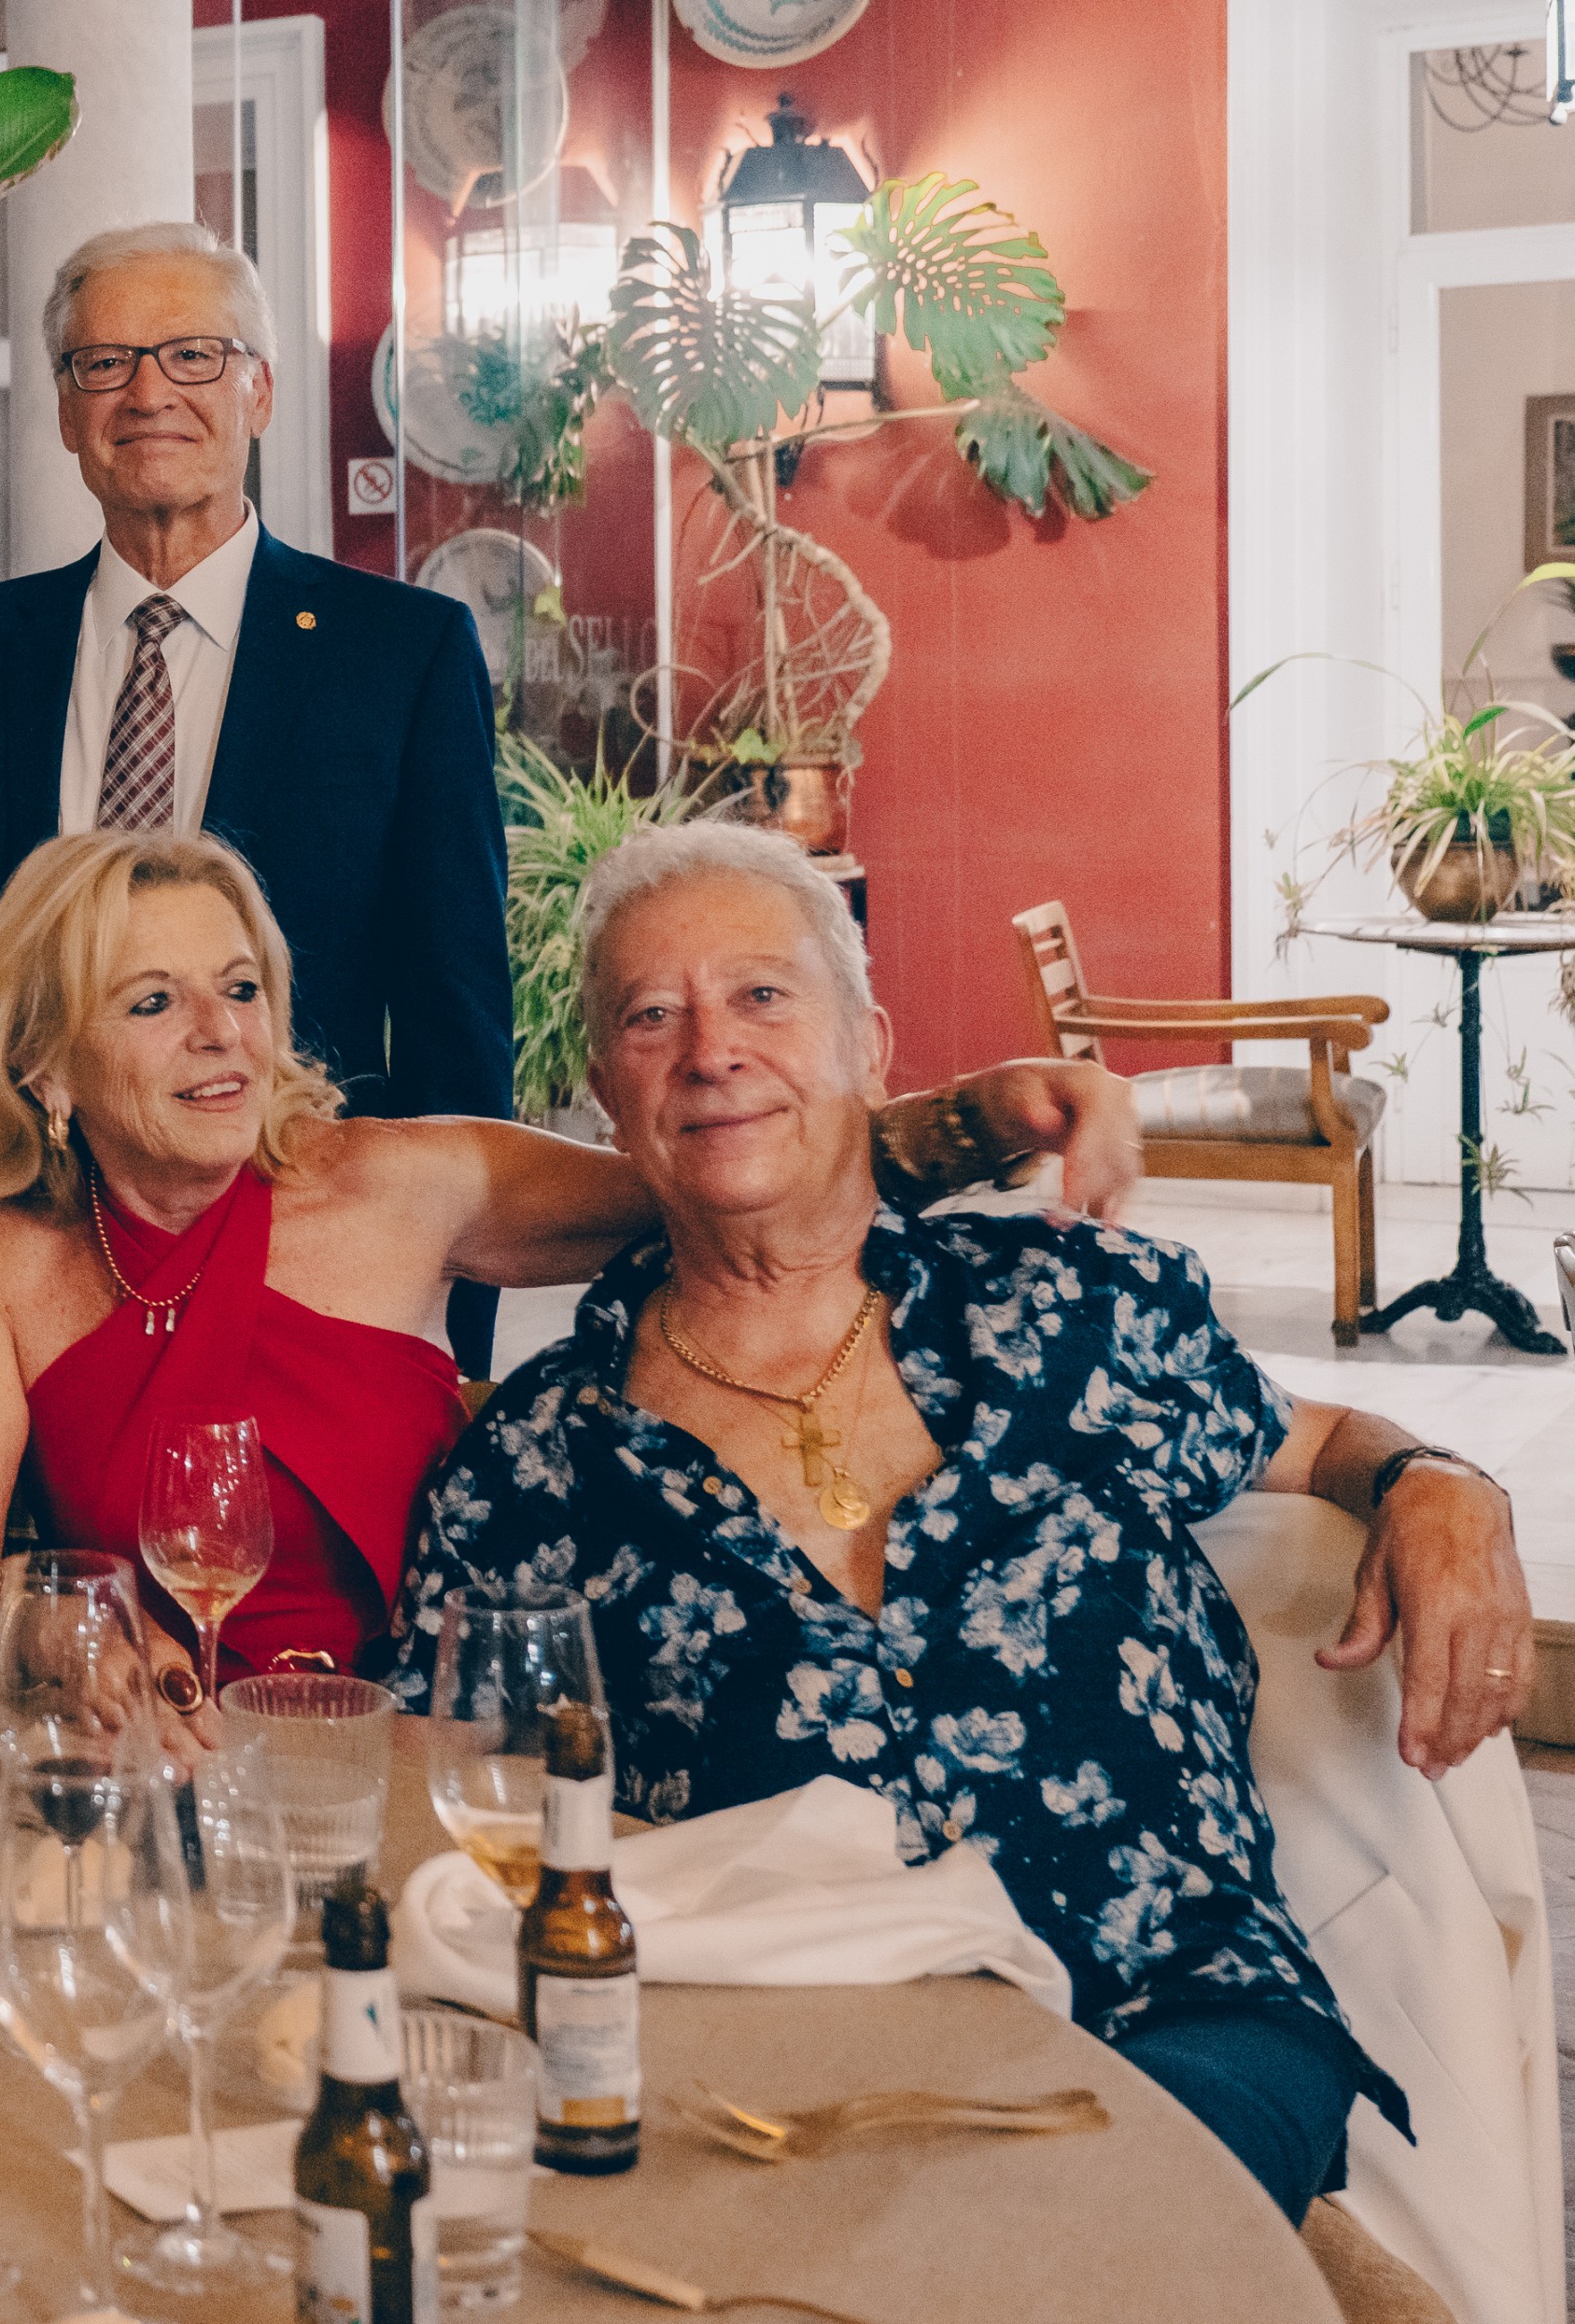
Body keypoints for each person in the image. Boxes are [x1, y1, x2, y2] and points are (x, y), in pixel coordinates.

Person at [387, 822, 1532, 2226]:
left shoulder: (1076, 1308)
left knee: (1076, 2228)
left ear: (869, 1051)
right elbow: (449, 1815)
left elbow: (1320, 1440)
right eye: (649, 1017)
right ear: (608, 1104)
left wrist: (1439, 1483)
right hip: (772, 2061)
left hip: (1172, 2011)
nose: (710, 1050)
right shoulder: (533, 1464)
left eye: (760, 995)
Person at [0, 827, 1138, 1696]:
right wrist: (41, 1633)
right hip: (147, 1755)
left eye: (239, 987)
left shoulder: (398, 1182)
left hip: (418, 1747)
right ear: (47, 1065)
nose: (221, 1033)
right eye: (151, 1002)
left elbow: (718, 1162)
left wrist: (982, 1114)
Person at [0, 220, 510, 1354]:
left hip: (310, 1258)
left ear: (259, 391)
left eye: (192, 356)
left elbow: (452, 1012)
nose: (147, 393)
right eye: (104, 363)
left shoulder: (400, 655)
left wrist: (443, 1328)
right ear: (65, 411)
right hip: (25, 1256)